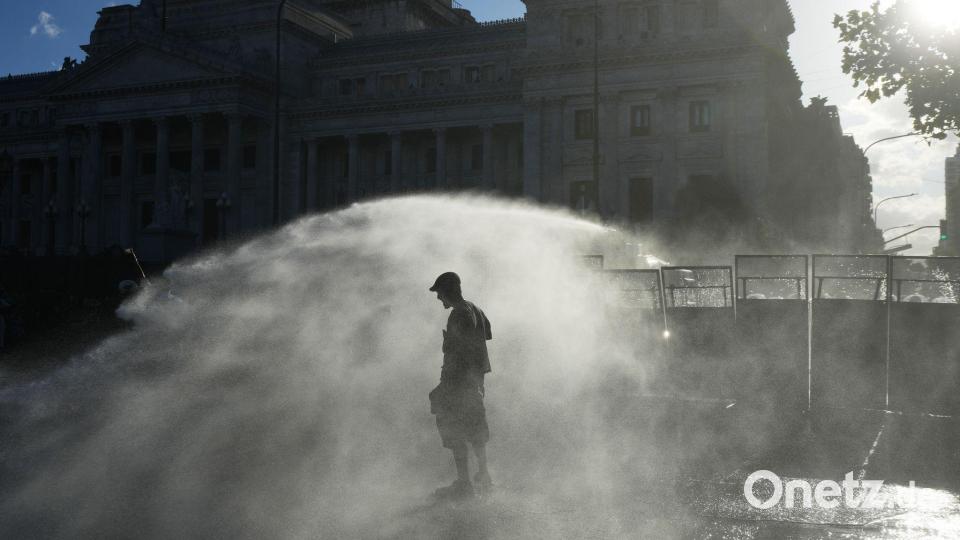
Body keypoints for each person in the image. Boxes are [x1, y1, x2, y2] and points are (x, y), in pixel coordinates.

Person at [428, 271, 493, 499]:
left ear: (448, 291)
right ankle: (484, 476)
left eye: (440, 293)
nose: (439, 299)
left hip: (458, 383)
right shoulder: (476, 310)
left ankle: (464, 485)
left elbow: (457, 354)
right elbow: (483, 343)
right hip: (474, 382)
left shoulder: (457, 315)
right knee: (476, 430)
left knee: (453, 429)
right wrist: (479, 381)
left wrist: (443, 387)